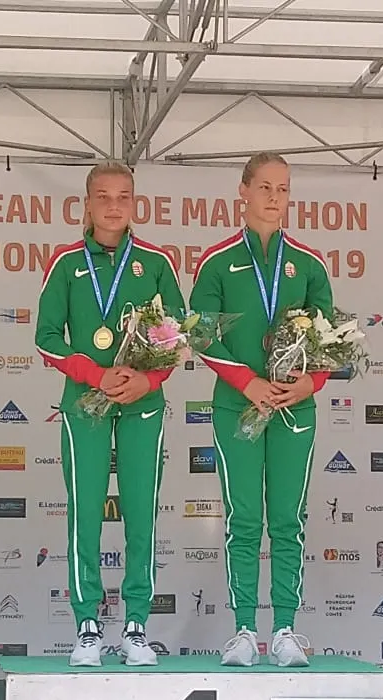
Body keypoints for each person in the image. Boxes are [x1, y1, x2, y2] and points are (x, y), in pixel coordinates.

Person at [35, 161, 185, 667]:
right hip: (85, 402)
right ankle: (88, 626)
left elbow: (177, 335)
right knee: (85, 512)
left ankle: (137, 624)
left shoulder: (156, 262)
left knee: (141, 512)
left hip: (143, 402)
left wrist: (149, 380)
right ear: (87, 204)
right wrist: (94, 375)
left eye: (123, 197)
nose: (114, 206)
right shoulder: (65, 263)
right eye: (103, 196)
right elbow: (46, 337)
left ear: (135, 204)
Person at [191, 152, 333, 668]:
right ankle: (245, 630)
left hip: (295, 408)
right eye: (266, 187)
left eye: (283, 189)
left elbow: (329, 340)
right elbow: (201, 335)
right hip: (238, 404)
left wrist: (311, 382)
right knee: (244, 518)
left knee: (289, 519)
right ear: (244, 191)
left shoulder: (309, 264)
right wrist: (246, 381)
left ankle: (287, 629)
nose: (275, 198)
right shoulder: (217, 262)